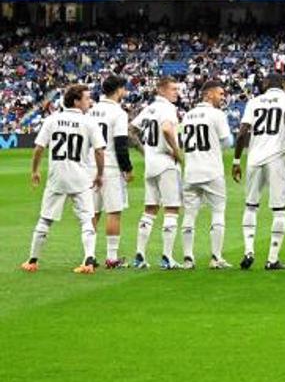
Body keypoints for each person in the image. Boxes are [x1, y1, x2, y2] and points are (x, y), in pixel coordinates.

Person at [21, 84, 105, 274]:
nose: (89, 102)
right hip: (81, 178)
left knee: (45, 220)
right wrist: (99, 174)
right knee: (86, 219)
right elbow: (100, 151)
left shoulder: (52, 119)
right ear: (76, 101)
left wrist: (35, 171)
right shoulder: (89, 122)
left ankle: (32, 260)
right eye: (86, 98)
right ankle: (89, 260)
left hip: (57, 177)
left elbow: (39, 148)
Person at [233, 73, 285, 271]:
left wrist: (236, 160)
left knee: (250, 206)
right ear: (284, 84)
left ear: (265, 84)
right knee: (279, 210)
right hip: (276, 158)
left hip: (254, 158)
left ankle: (248, 251)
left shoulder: (254, 102)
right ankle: (272, 259)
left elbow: (241, 134)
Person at [129, 77, 183, 270]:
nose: (176, 92)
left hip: (151, 165)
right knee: (172, 209)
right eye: (173, 89)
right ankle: (167, 257)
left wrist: (145, 151)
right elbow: (168, 129)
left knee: (150, 209)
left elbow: (131, 130)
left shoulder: (150, 108)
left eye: (177, 89)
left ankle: (140, 256)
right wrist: (177, 152)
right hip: (167, 165)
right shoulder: (168, 108)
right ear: (161, 90)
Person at [179, 80, 233, 269]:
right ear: (208, 94)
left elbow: (183, 142)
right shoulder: (217, 114)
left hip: (191, 171)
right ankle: (216, 258)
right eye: (220, 93)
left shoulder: (187, 115)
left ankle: (187, 258)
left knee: (189, 215)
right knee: (218, 212)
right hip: (211, 170)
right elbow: (227, 142)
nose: (223, 97)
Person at [90, 75, 133, 269]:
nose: (126, 92)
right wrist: (127, 169)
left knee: (92, 212)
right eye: (124, 88)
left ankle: (88, 256)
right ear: (118, 90)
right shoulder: (119, 113)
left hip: (89, 166)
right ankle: (112, 257)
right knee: (113, 212)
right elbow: (121, 144)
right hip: (110, 166)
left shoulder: (90, 111)